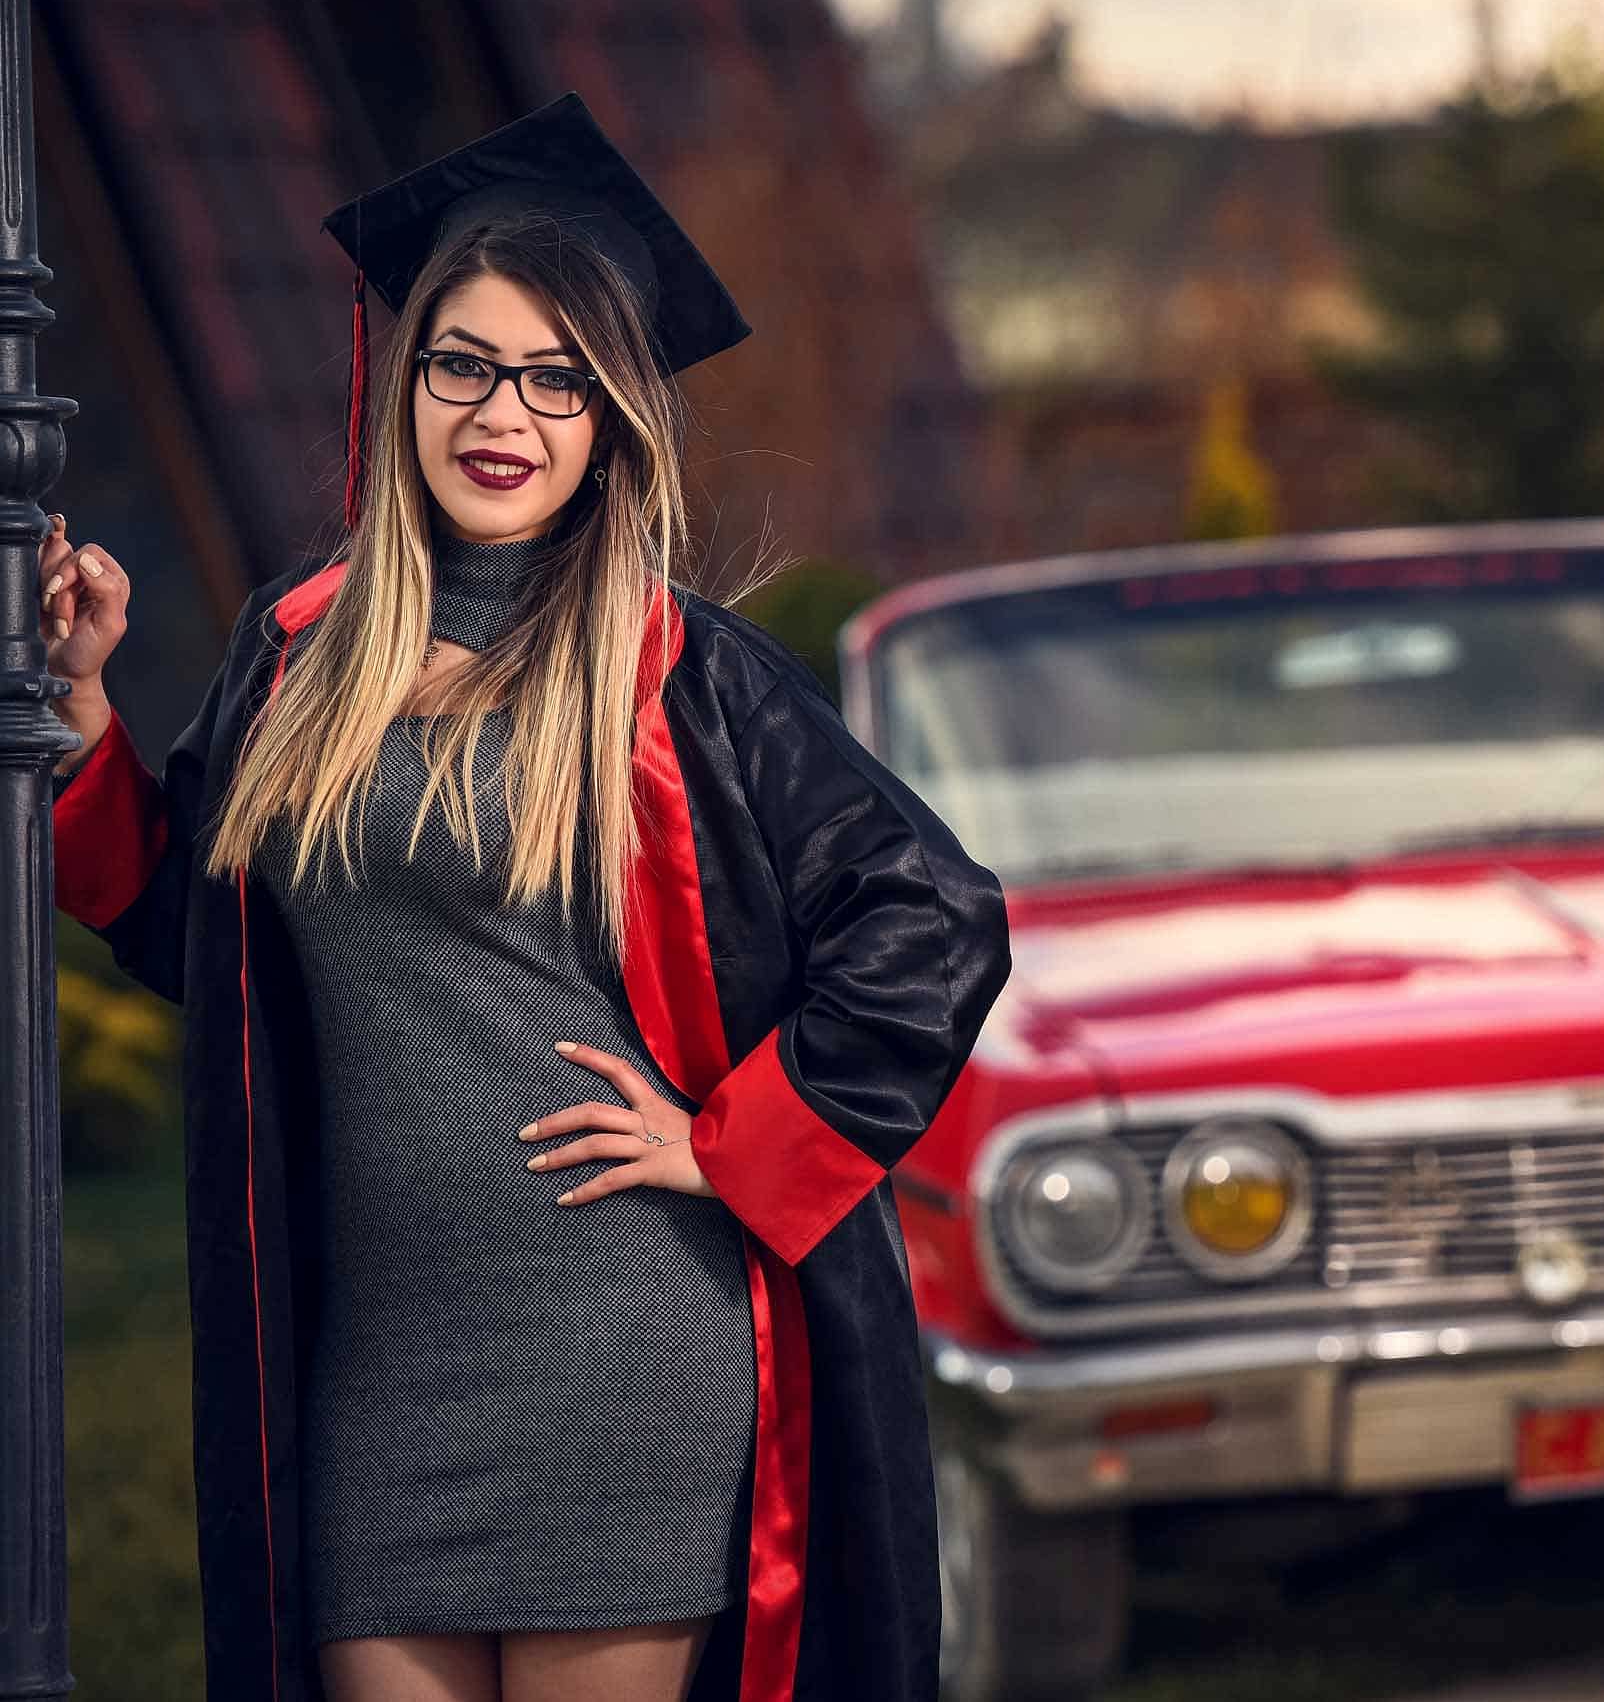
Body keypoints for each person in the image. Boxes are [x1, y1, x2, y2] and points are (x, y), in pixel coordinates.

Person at [41, 93, 1010, 1702]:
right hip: (375, 1373)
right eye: (468, 364)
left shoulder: (679, 674)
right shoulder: (302, 649)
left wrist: (727, 1141)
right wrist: (81, 706)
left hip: (620, 1345)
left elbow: (934, 919)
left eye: (560, 378)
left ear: (612, 419)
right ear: (404, 382)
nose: (507, 413)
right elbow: (195, 931)